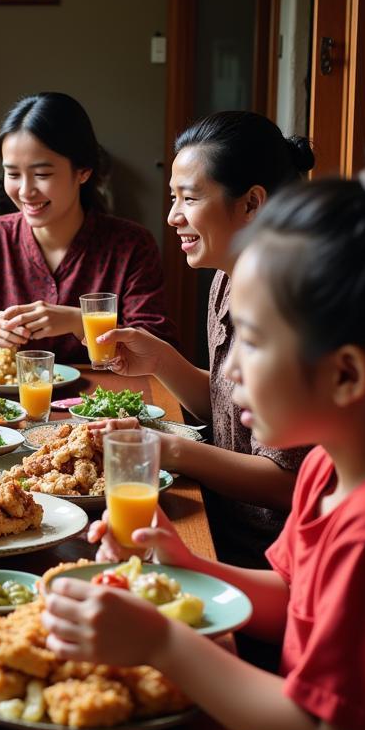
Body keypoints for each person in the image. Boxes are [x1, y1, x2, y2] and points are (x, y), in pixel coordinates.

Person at [42, 136, 365, 730]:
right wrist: (191, 569)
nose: (232, 373)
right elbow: (294, 599)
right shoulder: (329, 463)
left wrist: (166, 643)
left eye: (258, 343)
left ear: (347, 375)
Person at [90, 112, 314, 567]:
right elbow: (232, 413)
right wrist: (162, 362)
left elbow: (288, 481)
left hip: (263, 557)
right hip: (214, 522)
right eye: (174, 197)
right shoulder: (226, 279)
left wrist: (172, 449)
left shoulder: (291, 307)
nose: (172, 217)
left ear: (252, 203)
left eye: (188, 198)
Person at [0, 92, 177, 361]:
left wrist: (80, 321)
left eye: (42, 174)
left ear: (84, 171)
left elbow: (158, 350)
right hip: (5, 402)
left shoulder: (131, 245)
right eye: (13, 174)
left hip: (100, 400)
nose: (25, 191)